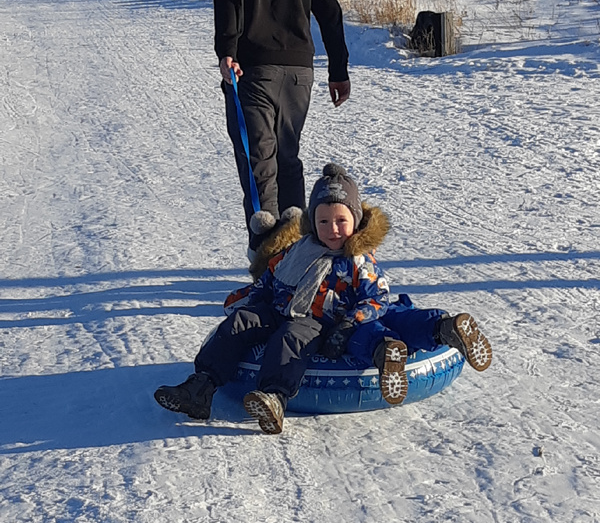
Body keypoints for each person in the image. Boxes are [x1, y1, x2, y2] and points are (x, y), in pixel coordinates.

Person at [154, 164, 492, 434]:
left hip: (319, 322)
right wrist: (244, 300)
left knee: (290, 339)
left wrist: (350, 323)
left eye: (341, 221)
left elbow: (378, 299)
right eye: (324, 221)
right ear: (312, 223)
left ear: (356, 220)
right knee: (241, 323)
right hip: (280, 308)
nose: (332, 229)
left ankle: (275, 397)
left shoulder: (358, 260)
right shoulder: (298, 251)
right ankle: (200, 387)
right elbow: (271, 280)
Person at [209, 0, 351, 255]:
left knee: (259, 168)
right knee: (288, 159)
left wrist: (228, 49)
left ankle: (268, 260)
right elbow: (329, 8)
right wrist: (337, 68)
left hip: (252, 67)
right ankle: (301, 253)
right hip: (298, 72)